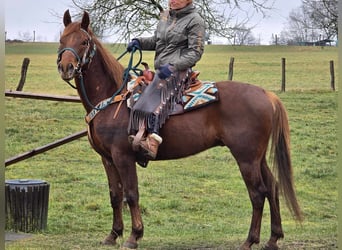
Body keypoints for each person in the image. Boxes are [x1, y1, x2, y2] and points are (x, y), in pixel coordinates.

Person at [127, 0, 205, 160]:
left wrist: (173, 66)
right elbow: (157, 41)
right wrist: (139, 42)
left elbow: (195, 52)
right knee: (136, 89)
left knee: (156, 95)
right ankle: (139, 133)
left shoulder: (195, 20)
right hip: (161, 69)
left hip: (178, 70)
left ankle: (153, 140)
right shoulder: (164, 16)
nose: (172, 0)